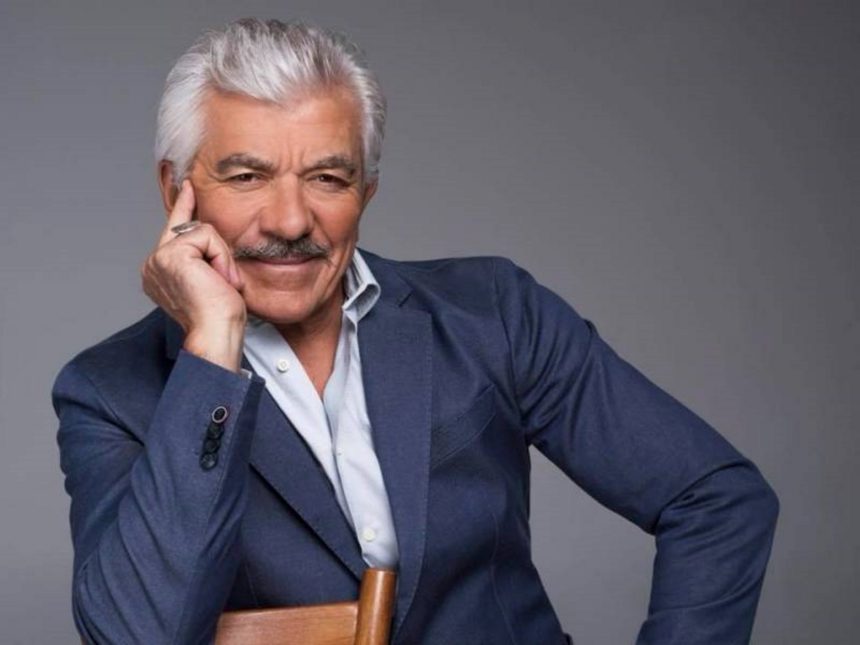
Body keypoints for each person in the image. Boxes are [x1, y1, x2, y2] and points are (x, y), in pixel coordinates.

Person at [52, 18, 779, 645]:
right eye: (247, 177)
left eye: (328, 178)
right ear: (175, 190)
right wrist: (212, 352)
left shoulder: (492, 313)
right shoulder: (109, 391)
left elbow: (715, 499)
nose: (290, 220)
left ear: (366, 190)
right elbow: (135, 632)